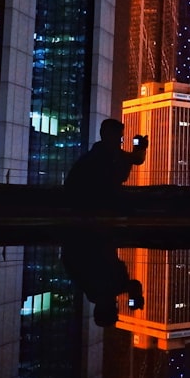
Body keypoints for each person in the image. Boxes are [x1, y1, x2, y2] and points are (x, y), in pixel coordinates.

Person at [62, 118, 148, 326]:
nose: (119, 141)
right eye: (118, 137)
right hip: (96, 214)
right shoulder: (104, 157)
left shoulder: (98, 156)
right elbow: (135, 159)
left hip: (87, 218)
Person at [64, 118, 148, 207]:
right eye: (120, 137)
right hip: (97, 205)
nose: (121, 141)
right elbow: (137, 159)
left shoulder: (92, 155)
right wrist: (141, 148)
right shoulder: (110, 156)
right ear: (112, 136)